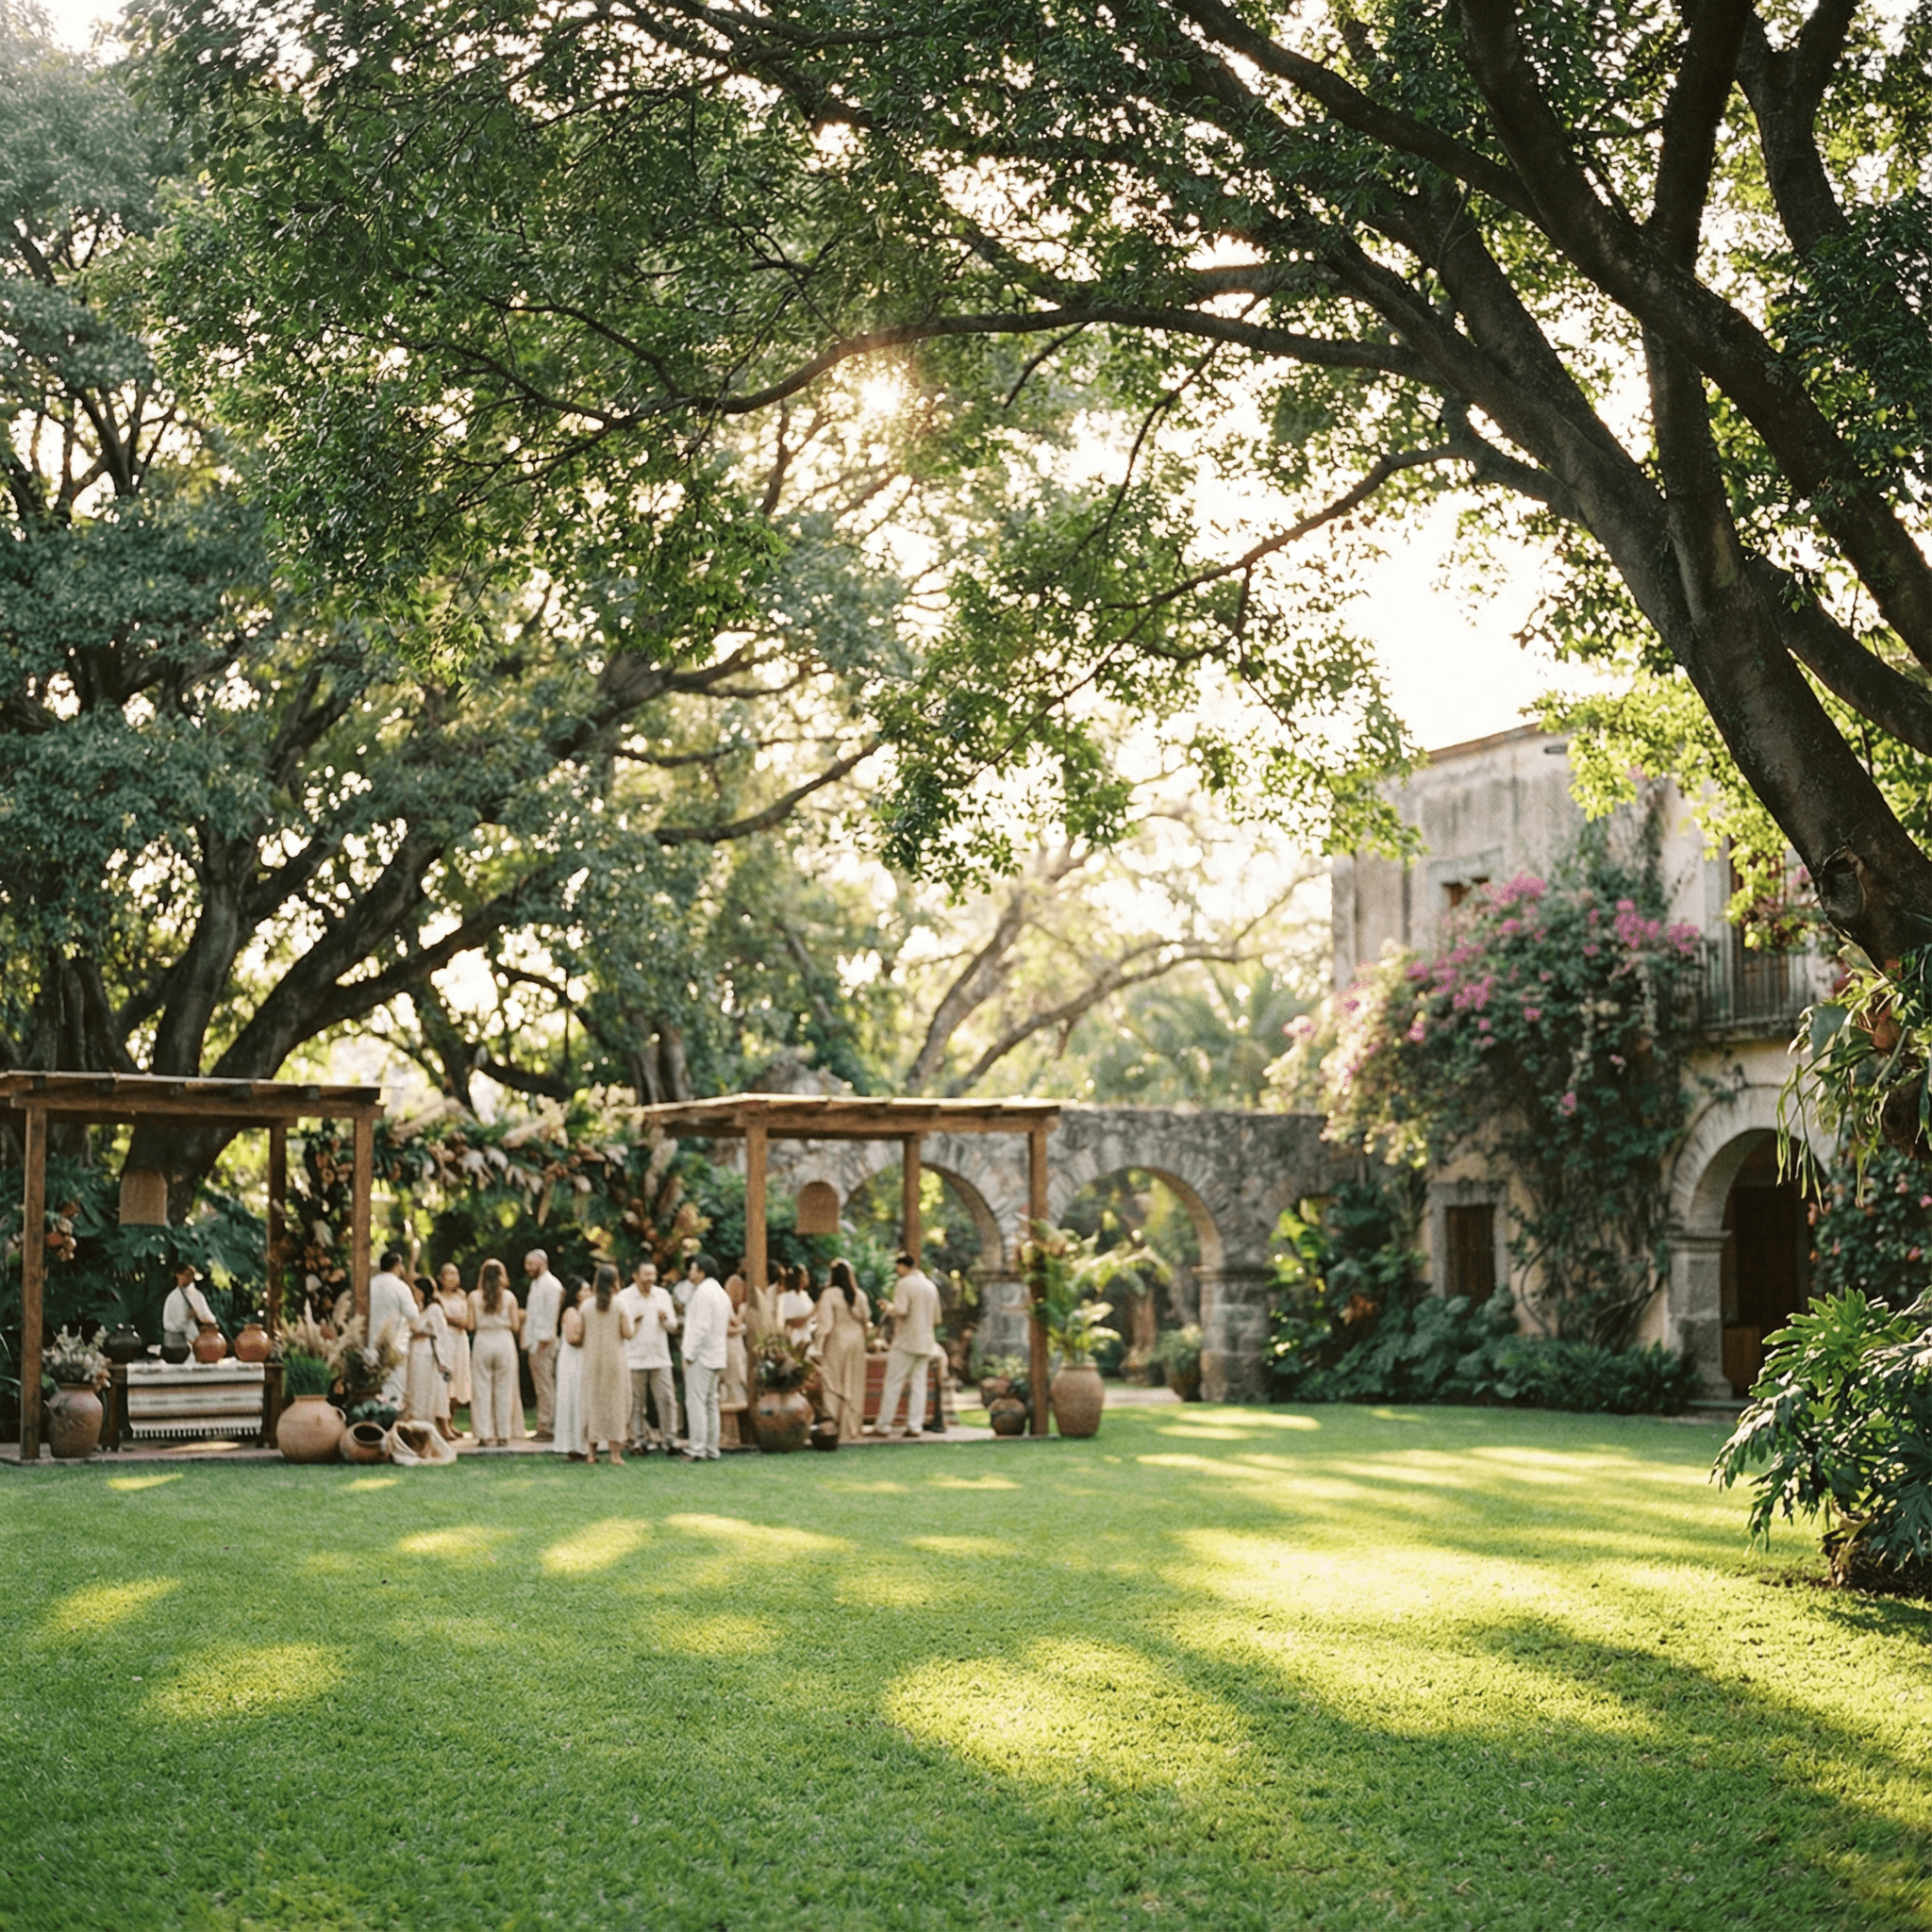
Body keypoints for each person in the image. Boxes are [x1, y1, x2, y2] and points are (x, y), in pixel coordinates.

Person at [872, 1250, 941, 1439]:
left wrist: (888, 1307)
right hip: (926, 1341)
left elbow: (901, 1310)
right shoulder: (930, 1286)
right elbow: (936, 1318)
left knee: (893, 1382)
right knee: (919, 1385)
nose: (897, 1271)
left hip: (906, 1341)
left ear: (904, 1266)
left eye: (897, 1267)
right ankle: (915, 1426)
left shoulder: (905, 1284)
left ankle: (884, 1425)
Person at [617, 1261, 680, 1454]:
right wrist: (633, 1322)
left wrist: (666, 1320)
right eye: (646, 1274)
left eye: (653, 1274)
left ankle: (669, 1439)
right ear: (636, 1276)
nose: (650, 1279)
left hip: (660, 1357)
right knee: (636, 1403)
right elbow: (620, 1328)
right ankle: (637, 1440)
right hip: (634, 1358)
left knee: (667, 1399)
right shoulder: (624, 1297)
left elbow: (673, 1327)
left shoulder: (662, 1295)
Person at [578, 1262, 636, 1465]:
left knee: (593, 1402)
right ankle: (615, 1454)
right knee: (616, 1404)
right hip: (615, 1360)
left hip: (592, 1360)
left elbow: (579, 1335)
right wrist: (636, 1322)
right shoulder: (620, 1305)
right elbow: (627, 1333)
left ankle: (592, 1453)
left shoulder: (586, 1306)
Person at [679, 1252, 731, 1462]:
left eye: (692, 1269)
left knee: (696, 1401)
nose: (689, 1273)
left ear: (701, 1272)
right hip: (717, 1354)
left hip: (702, 1355)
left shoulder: (702, 1293)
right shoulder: (720, 1292)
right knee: (710, 1402)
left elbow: (699, 1328)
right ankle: (711, 1448)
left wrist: (689, 1354)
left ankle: (697, 1448)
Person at [813, 1258, 871, 1442]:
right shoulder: (859, 1295)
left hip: (837, 1341)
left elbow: (826, 1325)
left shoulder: (829, 1295)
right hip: (857, 1341)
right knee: (854, 1384)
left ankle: (834, 1426)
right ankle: (852, 1428)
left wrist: (817, 1345)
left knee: (833, 1382)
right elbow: (866, 1321)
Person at [468, 1259, 523, 1447]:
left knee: (481, 1389)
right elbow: (516, 1326)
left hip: (483, 1340)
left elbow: (470, 1325)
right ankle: (503, 1435)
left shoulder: (474, 1297)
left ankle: (484, 1435)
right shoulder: (509, 1297)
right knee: (504, 1389)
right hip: (503, 1340)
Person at [522, 1248, 564, 1441]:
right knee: (541, 1386)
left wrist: (542, 1342)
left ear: (543, 1263)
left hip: (544, 1344)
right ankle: (544, 1425)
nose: (528, 1268)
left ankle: (548, 1427)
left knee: (546, 1386)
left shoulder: (551, 1285)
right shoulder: (536, 1284)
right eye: (527, 1264)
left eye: (531, 1264)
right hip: (535, 1343)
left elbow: (551, 1316)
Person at [402, 1276, 452, 1426]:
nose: (413, 1293)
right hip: (413, 1352)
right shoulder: (415, 1309)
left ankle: (425, 1422)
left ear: (423, 1292)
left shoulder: (434, 1309)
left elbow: (440, 1333)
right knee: (413, 1387)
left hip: (427, 1353)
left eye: (416, 1291)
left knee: (425, 1388)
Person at [369, 1249, 416, 1405]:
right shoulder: (401, 1287)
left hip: (370, 1343)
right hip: (394, 1346)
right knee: (393, 1391)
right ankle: (389, 1424)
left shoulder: (370, 1284)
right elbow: (413, 1314)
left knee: (372, 1389)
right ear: (396, 1265)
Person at [434, 1263, 472, 1440]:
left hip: (460, 1342)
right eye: (449, 1274)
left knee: (459, 1380)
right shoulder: (437, 1297)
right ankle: (443, 1424)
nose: (453, 1277)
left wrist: (447, 1317)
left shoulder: (462, 1295)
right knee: (446, 1380)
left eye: (456, 1273)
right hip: (445, 1341)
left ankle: (451, 1421)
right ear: (441, 1278)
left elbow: (467, 1321)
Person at [553, 1279, 589, 1459]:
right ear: (576, 1293)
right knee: (573, 1398)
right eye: (585, 1290)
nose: (588, 1293)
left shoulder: (584, 1311)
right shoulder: (571, 1312)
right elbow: (572, 1339)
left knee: (581, 1400)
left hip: (582, 1358)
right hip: (572, 1359)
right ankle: (573, 1446)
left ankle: (582, 1445)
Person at [160, 1262, 218, 1353]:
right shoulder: (173, 1298)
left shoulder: (196, 1295)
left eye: (193, 1275)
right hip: (177, 1345)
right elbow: (172, 1326)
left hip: (198, 1341)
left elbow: (209, 1317)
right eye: (188, 1275)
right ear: (178, 1275)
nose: (191, 1278)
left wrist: (208, 1323)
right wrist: (188, 1317)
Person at [775, 1264, 816, 1347]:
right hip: (793, 1340)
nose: (807, 1277)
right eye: (805, 1275)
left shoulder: (805, 1295)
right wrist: (811, 1314)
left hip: (805, 1339)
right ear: (798, 1277)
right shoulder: (788, 1296)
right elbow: (791, 1323)